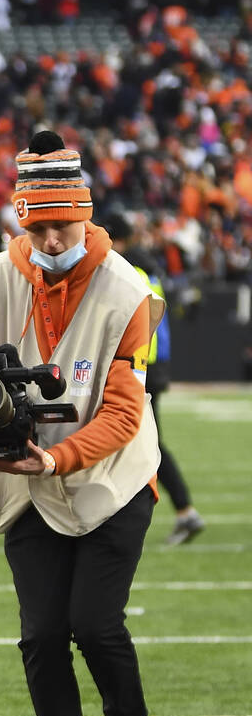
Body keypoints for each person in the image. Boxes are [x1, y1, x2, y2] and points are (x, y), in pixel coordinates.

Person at [0, 130, 162, 716]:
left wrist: (56, 457)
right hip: (26, 484)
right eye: (37, 226)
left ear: (87, 215)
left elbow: (125, 414)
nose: (48, 240)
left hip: (112, 481)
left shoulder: (132, 290)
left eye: (62, 226)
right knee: (42, 633)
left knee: (95, 625)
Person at [106, 211, 205, 547]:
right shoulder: (147, 267)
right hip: (154, 363)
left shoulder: (125, 269)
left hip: (139, 366)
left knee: (145, 443)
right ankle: (179, 510)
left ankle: (183, 510)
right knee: (140, 440)